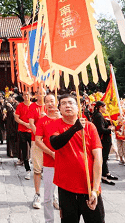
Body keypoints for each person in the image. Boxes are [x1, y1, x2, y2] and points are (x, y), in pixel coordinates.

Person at [47, 93, 104, 223]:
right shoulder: (55, 125)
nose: (67, 105)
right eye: (63, 103)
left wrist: (95, 189)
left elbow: (98, 159)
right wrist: (74, 128)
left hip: (89, 188)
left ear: (79, 107)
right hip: (66, 188)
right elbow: (55, 144)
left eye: (71, 103)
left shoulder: (90, 127)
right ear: (59, 109)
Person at [35, 93, 61, 222]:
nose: (50, 104)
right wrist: (50, 153)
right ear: (44, 104)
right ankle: (49, 220)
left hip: (65, 161)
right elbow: (38, 140)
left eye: (52, 101)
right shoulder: (42, 120)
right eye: (47, 102)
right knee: (47, 196)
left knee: (66, 196)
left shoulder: (64, 119)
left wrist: (60, 118)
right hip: (49, 162)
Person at [91, 101, 118, 186]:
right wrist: (110, 129)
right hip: (103, 140)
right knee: (103, 157)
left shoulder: (100, 115)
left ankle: (107, 173)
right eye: (104, 107)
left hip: (106, 139)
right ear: (100, 107)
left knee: (105, 157)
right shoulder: (98, 116)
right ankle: (103, 176)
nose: (105, 108)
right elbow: (100, 129)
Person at [28, 87, 47, 207]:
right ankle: (37, 194)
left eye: (44, 93)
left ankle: (52, 195)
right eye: (40, 93)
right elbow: (31, 123)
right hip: (37, 141)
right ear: (36, 95)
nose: (42, 96)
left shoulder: (51, 106)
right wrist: (39, 137)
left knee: (51, 170)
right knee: (37, 169)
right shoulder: (33, 107)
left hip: (50, 142)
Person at [14, 91, 33, 180]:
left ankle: (38, 169)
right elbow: (16, 118)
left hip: (33, 131)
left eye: (28, 95)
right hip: (22, 131)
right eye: (24, 95)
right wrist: (25, 124)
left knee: (36, 151)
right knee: (25, 151)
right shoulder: (20, 106)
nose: (26, 96)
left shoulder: (34, 106)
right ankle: (27, 170)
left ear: (31, 96)